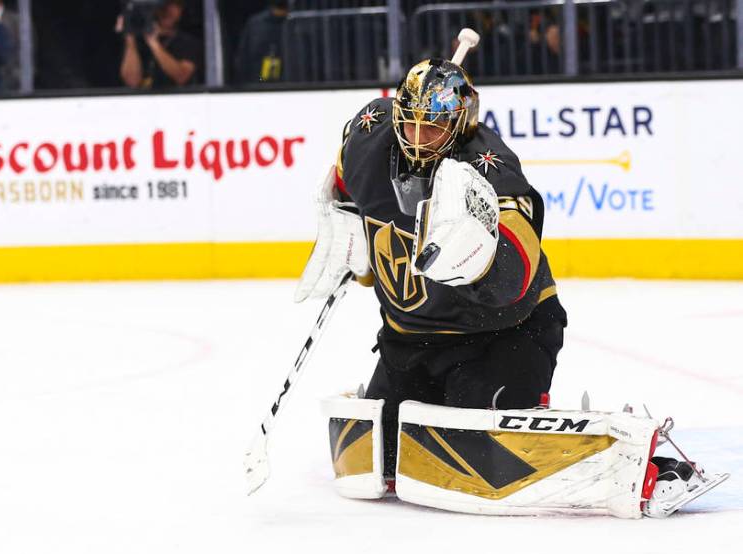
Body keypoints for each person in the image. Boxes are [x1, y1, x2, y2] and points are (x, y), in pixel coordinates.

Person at [295, 57, 707, 516]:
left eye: (431, 129)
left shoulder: (488, 165)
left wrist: (480, 263)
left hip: (503, 334)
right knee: (378, 464)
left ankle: (624, 456)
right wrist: (344, 219)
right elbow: (345, 179)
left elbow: (520, 266)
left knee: (475, 447)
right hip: (408, 338)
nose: (416, 140)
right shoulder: (369, 132)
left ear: (460, 123)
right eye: (408, 125)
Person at [118, 0, 202, 89]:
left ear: (181, 10)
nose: (167, 10)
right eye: (164, 5)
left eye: (174, 5)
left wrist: (153, 43)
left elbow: (181, 76)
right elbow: (132, 82)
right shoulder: (138, 42)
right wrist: (130, 39)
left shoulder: (189, 43)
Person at [234, 0, 288, 84]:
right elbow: (242, 61)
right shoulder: (255, 24)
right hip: (260, 86)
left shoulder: (300, 22)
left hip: (295, 86)